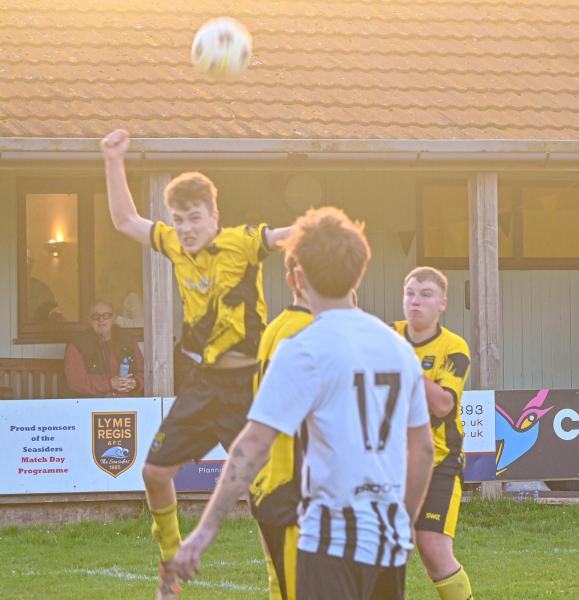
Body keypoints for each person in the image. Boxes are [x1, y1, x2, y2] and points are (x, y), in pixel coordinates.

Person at [173, 207, 434, 600]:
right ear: (359, 273)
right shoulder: (397, 347)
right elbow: (424, 448)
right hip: (386, 538)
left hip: (330, 538)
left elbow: (253, 444)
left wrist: (204, 530)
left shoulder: (303, 348)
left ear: (296, 278)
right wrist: (404, 522)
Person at [100, 129, 292, 600]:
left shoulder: (242, 243)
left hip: (249, 389)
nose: (186, 228)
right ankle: (170, 567)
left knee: (266, 500)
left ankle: (281, 588)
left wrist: (328, 233)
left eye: (194, 218)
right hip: (205, 385)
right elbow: (124, 220)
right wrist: (112, 159)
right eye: (179, 219)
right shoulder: (172, 244)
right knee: (153, 471)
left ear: (214, 216)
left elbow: (286, 236)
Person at [391, 267, 474, 600]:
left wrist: (405, 364)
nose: (416, 301)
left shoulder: (454, 348)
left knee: (433, 548)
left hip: (439, 462)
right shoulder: (386, 335)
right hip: (389, 463)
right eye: (410, 293)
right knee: (383, 550)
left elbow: (442, 404)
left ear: (442, 303)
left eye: (426, 294)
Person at [249, 256, 313, 600]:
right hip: (293, 483)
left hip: (269, 477)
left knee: (282, 584)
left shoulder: (277, 326)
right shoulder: (303, 331)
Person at [64, 299, 144, 397]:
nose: (101, 320)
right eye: (96, 316)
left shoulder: (127, 339)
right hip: (94, 403)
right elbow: (76, 382)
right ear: (89, 320)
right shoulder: (77, 344)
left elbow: (144, 372)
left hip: (127, 401)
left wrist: (135, 382)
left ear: (113, 318)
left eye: (106, 315)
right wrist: (109, 383)